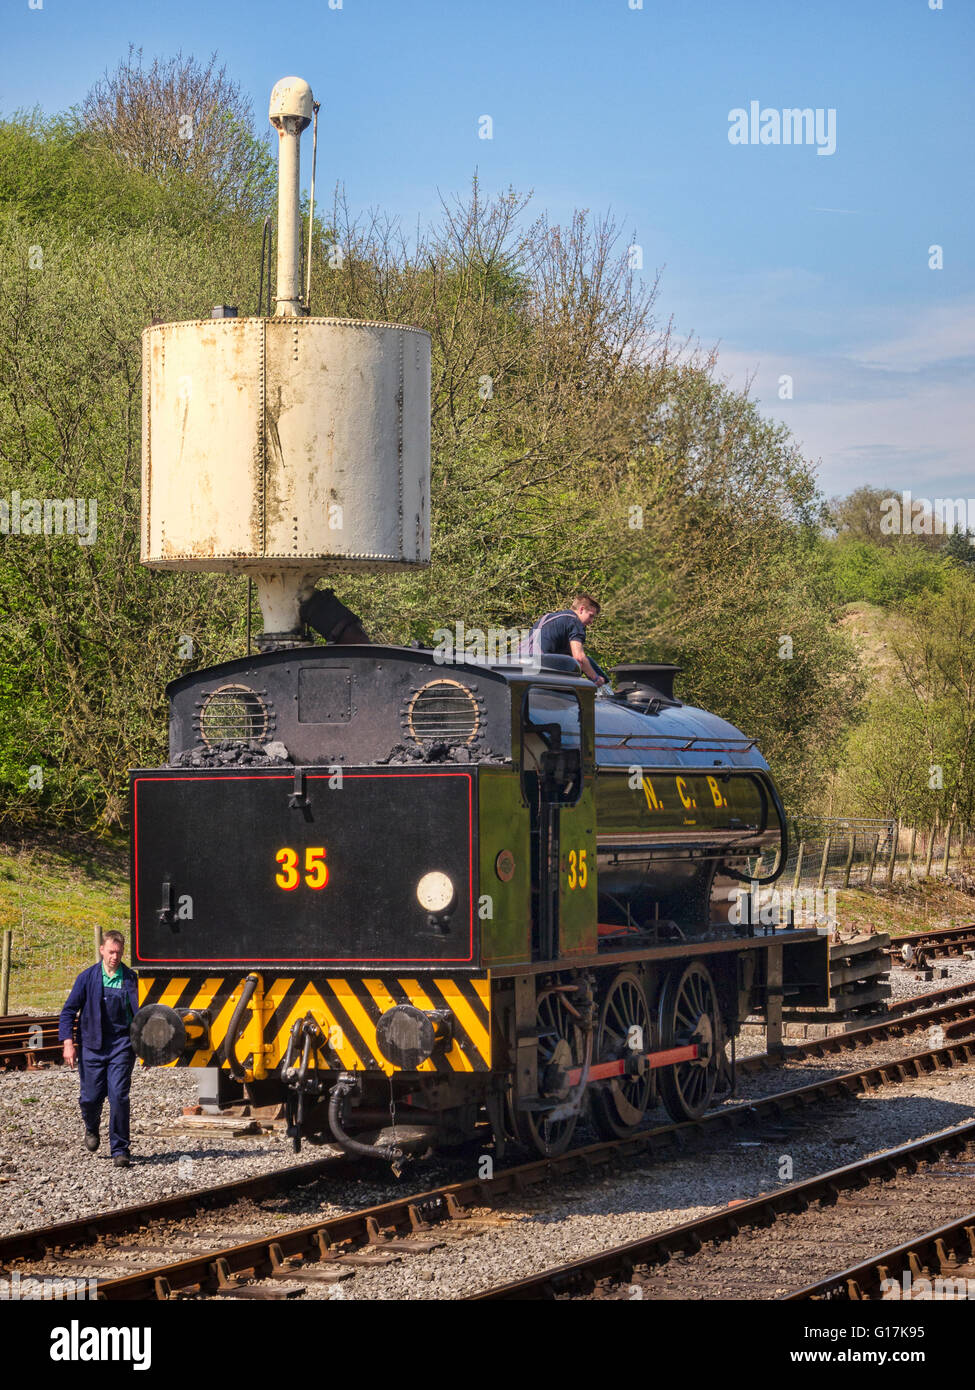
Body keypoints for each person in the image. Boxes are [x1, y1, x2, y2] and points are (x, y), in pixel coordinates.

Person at [59, 931, 139, 1168]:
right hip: (92, 1046)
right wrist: (68, 1044)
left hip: (122, 1046)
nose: (115, 957)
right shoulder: (87, 978)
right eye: (111, 951)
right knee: (91, 1097)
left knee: (118, 1096)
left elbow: (142, 1016)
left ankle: (120, 1149)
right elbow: (68, 1012)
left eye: (119, 952)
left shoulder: (131, 979)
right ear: (102, 950)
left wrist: (146, 1047)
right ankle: (91, 1126)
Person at [522, 594, 607, 685]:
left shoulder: (549, 617)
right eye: (591, 616)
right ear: (581, 609)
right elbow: (579, 658)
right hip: (543, 669)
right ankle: (608, 688)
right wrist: (596, 678)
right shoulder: (574, 621)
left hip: (522, 666)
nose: (591, 622)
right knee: (585, 661)